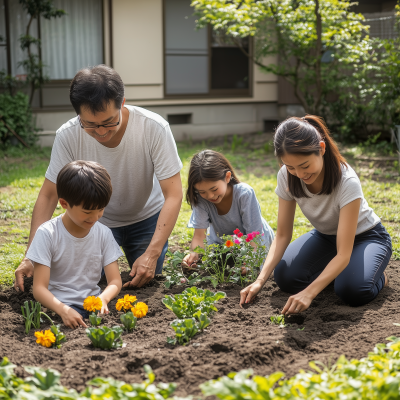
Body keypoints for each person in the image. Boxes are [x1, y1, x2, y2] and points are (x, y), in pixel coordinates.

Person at [14, 65, 183, 292]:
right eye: (90, 124)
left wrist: (152, 254)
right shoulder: (68, 135)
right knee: (81, 283)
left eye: (109, 121)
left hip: (147, 219)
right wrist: (31, 256)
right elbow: (48, 194)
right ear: (78, 115)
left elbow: (173, 194)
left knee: (147, 282)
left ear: (122, 103)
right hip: (93, 222)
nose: (101, 132)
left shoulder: (153, 128)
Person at [240, 115, 392, 312]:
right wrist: (260, 280)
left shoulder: (347, 182)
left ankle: (378, 277)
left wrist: (309, 292)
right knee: (285, 277)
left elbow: (344, 253)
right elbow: (283, 234)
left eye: (304, 165)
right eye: (291, 167)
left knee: (351, 291)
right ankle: (341, 274)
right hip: (327, 236)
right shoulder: (286, 176)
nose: (300, 174)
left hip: (366, 237)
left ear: (321, 148)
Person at [27, 161, 123, 329]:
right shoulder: (48, 233)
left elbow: (115, 280)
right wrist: (63, 310)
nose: (95, 217)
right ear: (64, 203)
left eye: (101, 209)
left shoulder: (104, 233)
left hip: (93, 307)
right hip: (57, 309)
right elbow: (39, 288)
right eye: (87, 212)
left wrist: (103, 299)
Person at [182, 149, 274, 268]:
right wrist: (194, 254)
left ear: (227, 177)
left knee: (251, 271)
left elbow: (254, 236)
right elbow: (200, 236)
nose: (210, 196)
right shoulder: (201, 200)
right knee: (216, 267)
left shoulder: (244, 194)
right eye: (202, 191)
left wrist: (251, 263)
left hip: (255, 243)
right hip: (223, 244)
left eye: (214, 189)